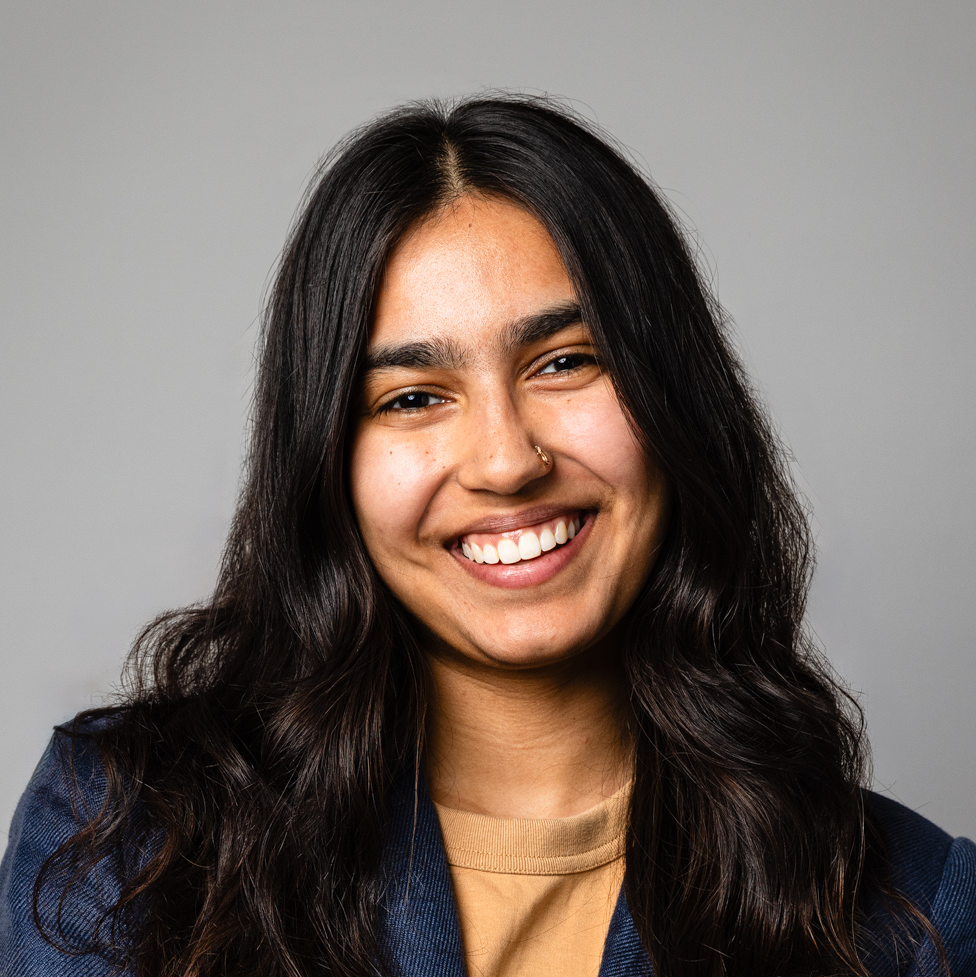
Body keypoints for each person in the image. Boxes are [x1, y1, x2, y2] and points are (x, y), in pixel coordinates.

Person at [1, 94, 973, 977]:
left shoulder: (909, 913)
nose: (505, 460)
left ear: (674, 396)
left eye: (564, 361)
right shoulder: (125, 830)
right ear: (328, 463)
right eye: (414, 396)